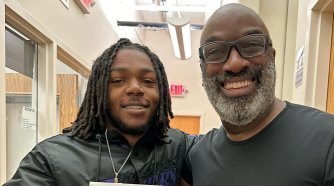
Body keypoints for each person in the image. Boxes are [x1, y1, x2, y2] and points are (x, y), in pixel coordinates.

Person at [181, 3, 334, 186]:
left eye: (251, 45)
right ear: (203, 70)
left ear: (272, 58)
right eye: (215, 51)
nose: (234, 64)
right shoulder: (197, 158)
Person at [4, 38, 196, 186]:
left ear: (161, 92)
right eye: (118, 80)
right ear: (99, 91)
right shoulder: (50, 158)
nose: (135, 88)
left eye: (148, 81)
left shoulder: (179, 146)